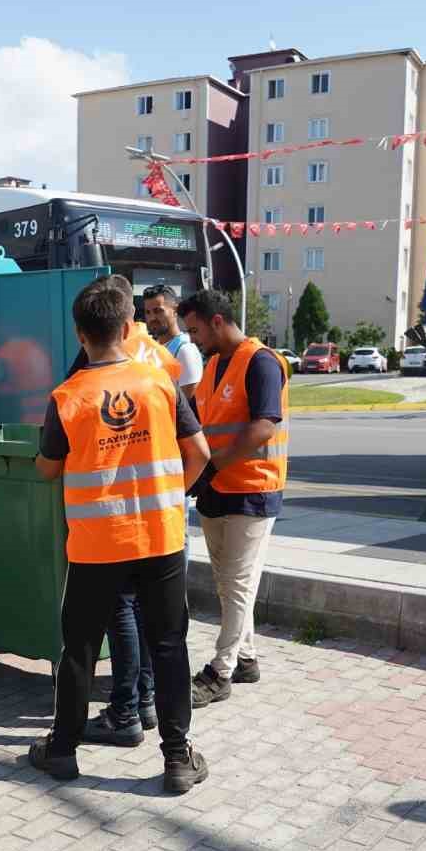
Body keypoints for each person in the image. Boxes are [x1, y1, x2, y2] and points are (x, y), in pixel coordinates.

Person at [32, 278, 212, 793]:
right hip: (160, 538)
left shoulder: (67, 397)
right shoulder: (159, 384)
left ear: (78, 334)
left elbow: (47, 468)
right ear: (130, 327)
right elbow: (199, 453)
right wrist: (173, 495)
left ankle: (62, 750)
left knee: (80, 648)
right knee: (170, 645)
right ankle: (178, 759)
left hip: (95, 545)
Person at [177, 289, 289, 708]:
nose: (194, 339)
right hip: (216, 491)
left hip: (252, 490)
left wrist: (211, 466)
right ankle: (246, 658)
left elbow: (263, 428)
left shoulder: (260, 362)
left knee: (239, 585)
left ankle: (219, 672)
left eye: (196, 330)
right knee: (227, 585)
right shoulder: (212, 366)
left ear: (218, 321)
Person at [141, 285, 205, 400]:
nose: (152, 318)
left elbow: (188, 405)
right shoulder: (150, 348)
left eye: (158, 311)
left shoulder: (185, 350)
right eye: (148, 312)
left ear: (175, 310)